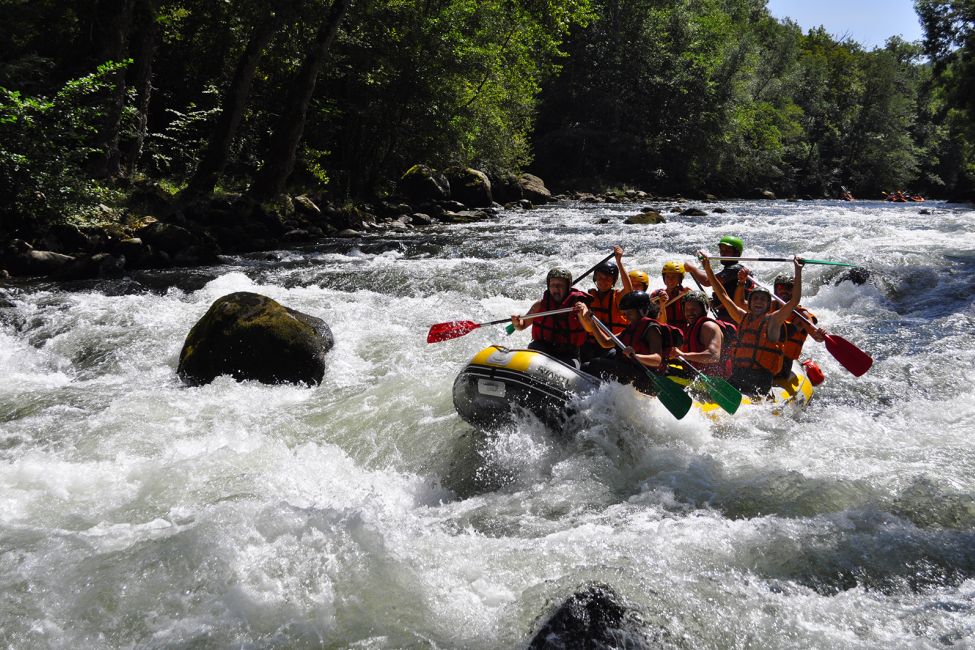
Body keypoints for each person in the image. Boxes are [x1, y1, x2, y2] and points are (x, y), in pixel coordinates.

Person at [700, 253, 804, 397]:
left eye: (763, 300)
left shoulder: (774, 321)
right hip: (738, 375)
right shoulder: (742, 317)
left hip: (760, 380)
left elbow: (794, 301)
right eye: (755, 299)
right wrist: (708, 269)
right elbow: (723, 295)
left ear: (768, 305)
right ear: (749, 303)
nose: (758, 302)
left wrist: (798, 270)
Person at [577, 291, 681, 394]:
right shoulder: (632, 327)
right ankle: (587, 396)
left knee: (596, 363)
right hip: (632, 371)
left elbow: (657, 359)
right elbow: (606, 343)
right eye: (625, 313)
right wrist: (592, 324)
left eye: (629, 313)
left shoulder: (652, 329)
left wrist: (636, 356)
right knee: (586, 366)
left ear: (643, 311)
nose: (626, 317)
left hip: (645, 378)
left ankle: (598, 396)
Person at [510, 267, 592, 366]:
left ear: (568, 287)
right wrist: (516, 323)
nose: (556, 288)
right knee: (534, 349)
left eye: (560, 285)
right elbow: (522, 325)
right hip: (542, 348)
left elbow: (589, 328)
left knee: (571, 365)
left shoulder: (578, 307)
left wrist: (583, 314)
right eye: (553, 285)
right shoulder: (540, 305)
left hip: (568, 353)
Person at [770, 273, 826, 380]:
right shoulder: (766, 305)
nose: (784, 291)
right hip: (763, 352)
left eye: (789, 288)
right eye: (780, 287)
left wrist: (821, 335)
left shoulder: (801, 315)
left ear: (795, 292)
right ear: (775, 290)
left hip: (783, 362)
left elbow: (816, 337)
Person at [684, 235, 747, 322]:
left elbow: (707, 281)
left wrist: (693, 269)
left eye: (727, 250)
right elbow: (711, 276)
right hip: (726, 313)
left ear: (737, 254)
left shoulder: (735, 269)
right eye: (722, 250)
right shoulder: (731, 269)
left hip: (731, 316)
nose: (723, 253)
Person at [671, 290, 729, 379]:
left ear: (704, 309)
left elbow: (713, 356)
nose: (690, 313)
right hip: (694, 376)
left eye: (694, 309)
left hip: (713, 380)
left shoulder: (708, 326)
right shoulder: (690, 328)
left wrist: (683, 355)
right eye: (687, 309)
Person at [650, 261, 690, 326]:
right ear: (664, 278)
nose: (670, 280)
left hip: (681, 330)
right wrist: (661, 303)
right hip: (662, 329)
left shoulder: (686, 295)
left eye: (674, 277)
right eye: (667, 276)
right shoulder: (656, 295)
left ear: (679, 279)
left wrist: (693, 295)